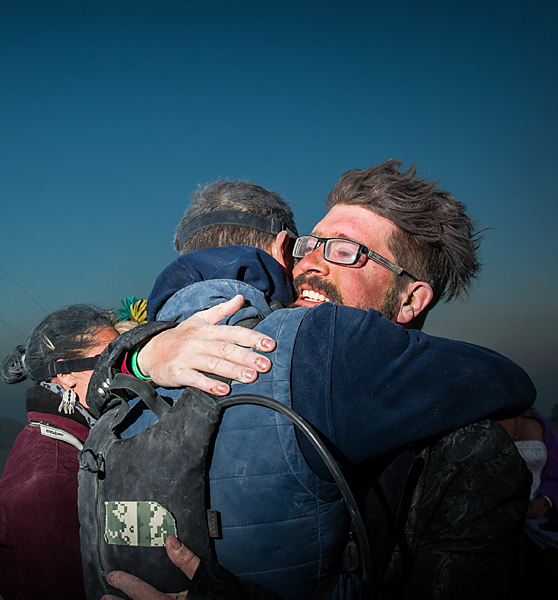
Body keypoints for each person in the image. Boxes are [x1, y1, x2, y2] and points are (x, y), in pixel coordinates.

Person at [86, 169, 533, 599]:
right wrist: (144, 356)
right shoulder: (258, 357)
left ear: (410, 299)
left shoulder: (468, 455)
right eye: (310, 245)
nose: (309, 264)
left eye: (344, 250)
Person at [0, 305, 119, 600]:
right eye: (111, 361)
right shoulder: (49, 479)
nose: (125, 374)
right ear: (65, 373)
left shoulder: (62, 440)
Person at [498, 408, 558, 596]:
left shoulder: (537, 423)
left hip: (540, 523)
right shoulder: (484, 425)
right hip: (501, 526)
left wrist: (546, 500)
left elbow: (555, 474)